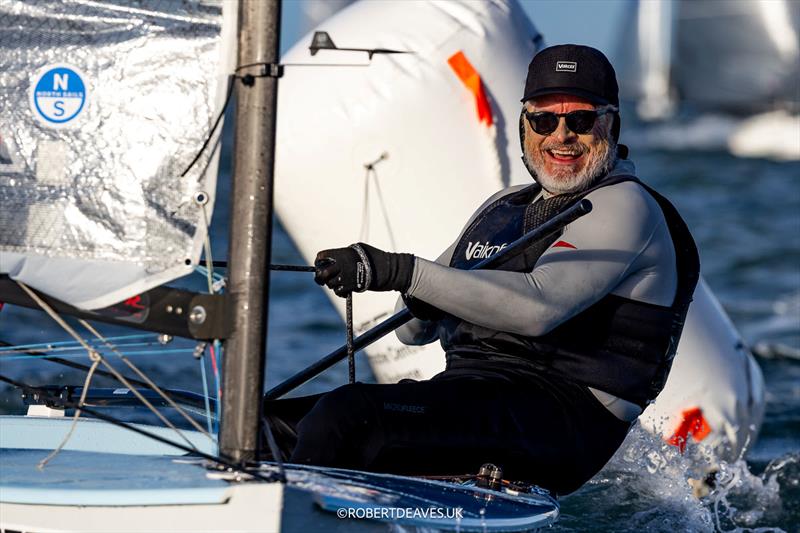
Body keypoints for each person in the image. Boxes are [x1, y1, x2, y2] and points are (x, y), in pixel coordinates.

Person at [262, 44, 699, 496]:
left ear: (612, 124)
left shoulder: (627, 206)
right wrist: (415, 290)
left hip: (558, 421)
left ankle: (300, 517)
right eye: (544, 120)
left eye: (581, 120)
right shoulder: (504, 205)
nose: (561, 136)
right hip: (472, 394)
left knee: (347, 417)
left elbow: (539, 307)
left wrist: (400, 272)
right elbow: (411, 333)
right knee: (263, 425)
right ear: (524, 126)